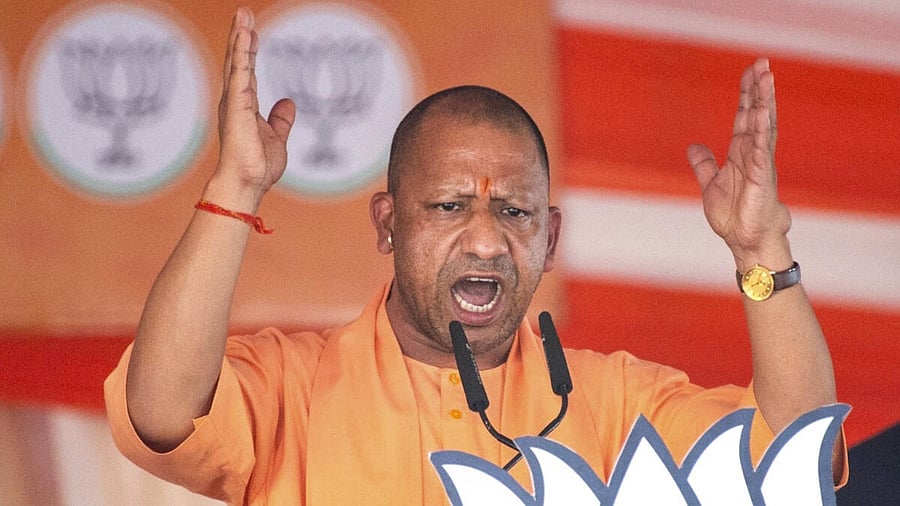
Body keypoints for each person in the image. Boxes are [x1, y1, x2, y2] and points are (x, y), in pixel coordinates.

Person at [104, 7, 846, 505]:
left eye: (514, 212)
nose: (487, 240)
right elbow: (162, 409)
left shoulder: (615, 404)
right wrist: (234, 190)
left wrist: (761, 249)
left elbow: (798, 457)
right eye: (450, 206)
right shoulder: (292, 388)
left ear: (549, 240)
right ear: (389, 224)